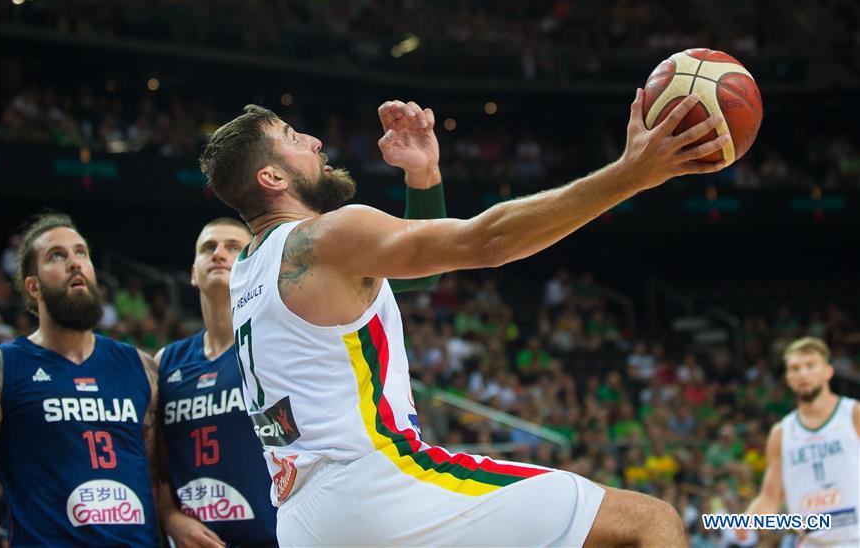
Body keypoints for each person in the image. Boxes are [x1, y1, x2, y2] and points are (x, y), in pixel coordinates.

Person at [198, 92, 728, 547]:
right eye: (292, 136)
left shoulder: (249, 270)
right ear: (271, 176)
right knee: (649, 523)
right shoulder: (328, 235)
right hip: (380, 484)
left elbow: (415, 278)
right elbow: (488, 241)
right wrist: (631, 175)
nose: (314, 140)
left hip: (304, 520)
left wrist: (424, 177)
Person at [156, 100, 446, 548]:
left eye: (234, 246)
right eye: (207, 247)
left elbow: (421, 267)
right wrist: (169, 515)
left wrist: (423, 175)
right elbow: (153, 458)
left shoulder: (290, 299)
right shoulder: (169, 364)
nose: (221, 255)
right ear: (190, 271)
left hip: (303, 521)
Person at [0, 212, 160, 548]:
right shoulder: (0, 368)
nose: (75, 263)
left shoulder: (140, 366)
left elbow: (159, 476)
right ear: (33, 286)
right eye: (57, 255)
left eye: (81, 253)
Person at [738, 337, 859, 547]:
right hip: (812, 541)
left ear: (828, 371)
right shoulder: (781, 433)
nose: (803, 374)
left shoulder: (853, 414)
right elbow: (771, 498)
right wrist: (750, 519)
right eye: (795, 368)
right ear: (788, 377)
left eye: (810, 366)